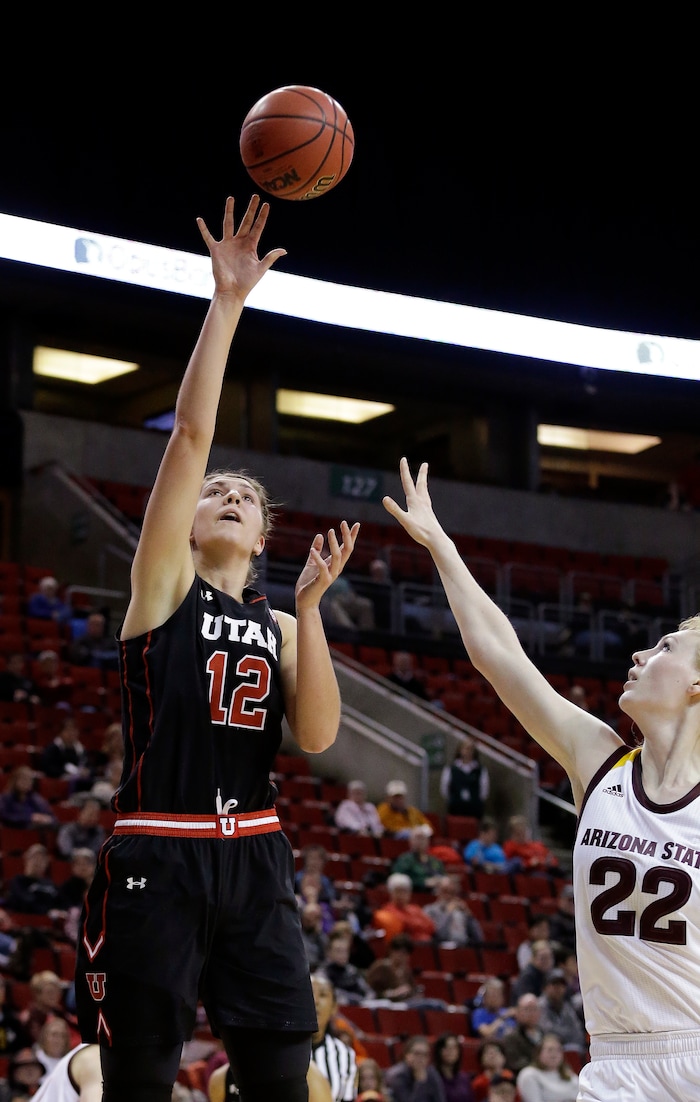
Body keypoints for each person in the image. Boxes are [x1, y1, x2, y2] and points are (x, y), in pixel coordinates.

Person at [73, 195, 360, 1102]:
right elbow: (193, 440)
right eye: (216, 493)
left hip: (258, 856)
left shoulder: (280, 625)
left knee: (281, 1078)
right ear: (190, 524)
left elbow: (316, 738)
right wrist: (227, 302)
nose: (228, 495)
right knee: (143, 1083)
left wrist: (310, 613)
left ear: (267, 535)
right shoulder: (162, 588)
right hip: (160, 848)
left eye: (248, 495)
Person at [384, 457, 700, 1100]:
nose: (642, 654)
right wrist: (442, 547)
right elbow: (500, 657)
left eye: (666, 646)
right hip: (615, 1064)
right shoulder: (603, 763)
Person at [309, 974, 358, 1102]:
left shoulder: (345, 1055)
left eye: (323, 995)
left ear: (334, 1008)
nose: (315, 1001)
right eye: (308, 993)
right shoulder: (280, 1049)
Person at [2, 843, 64, 917]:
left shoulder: (51, 884)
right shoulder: (18, 881)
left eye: (41, 859)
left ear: (46, 864)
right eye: (34, 858)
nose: (37, 862)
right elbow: (28, 902)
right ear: (26, 859)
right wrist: (48, 911)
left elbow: (61, 903)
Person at [370, 873, 436, 943]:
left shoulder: (415, 908)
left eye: (405, 891)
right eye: (398, 891)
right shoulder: (387, 910)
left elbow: (431, 926)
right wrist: (419, 925)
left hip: (426, 945)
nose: (401, 895)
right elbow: (403, 925)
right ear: (391, 892)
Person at [535, 970, 587, 1059]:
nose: (558, 988)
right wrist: (567, 1036)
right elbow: (547, 1031)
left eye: (561, 985)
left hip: (568, 1050)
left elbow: (577, 1032)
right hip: (546, 1052)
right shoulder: (539, 1006)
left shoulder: (566, 1006)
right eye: (554, 984)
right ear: (545, 987)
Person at [423, 874, 484, 948]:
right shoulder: (430, 910)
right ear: (438, 892)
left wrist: (470, 916)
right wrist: (448, 914)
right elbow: (439, 934)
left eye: (452, 892)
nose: (448, 896)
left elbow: (479, 938)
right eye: (445, 891)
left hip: (464, 947)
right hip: (442, 948)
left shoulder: (461, 911)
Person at [515, 1033, 579, 1101]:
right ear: (538, 1053)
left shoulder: (569, 1074)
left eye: (558, 1050)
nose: (554, 1054)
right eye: (550, 1050)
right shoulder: (529, 1074)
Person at [37, 714, 92, 793]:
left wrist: (87, 771)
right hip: (57, 785)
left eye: (74, 730)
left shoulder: (81, 749)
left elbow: (90, 766)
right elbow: (47, 768)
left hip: (79, 784)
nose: (71, 733)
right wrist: (65, 773)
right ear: (61, 732)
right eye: (68, 730)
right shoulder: (53, 749)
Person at [439, 737, 489, 819]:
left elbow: (484, 792)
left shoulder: (481, 770)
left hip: (474, 810)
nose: (468, 751)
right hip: (455, 809)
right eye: (466, 748)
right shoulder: (450, 769)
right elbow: (444, 790)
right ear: (460, 750)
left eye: (471, 749)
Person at [384, 1035, 446, 1102]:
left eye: (425, 1054)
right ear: (407, 1055)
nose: (421, 1058)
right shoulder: (396, 1076)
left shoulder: (431, 1073)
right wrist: (420, 1082)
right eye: (417, 1053)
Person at [495, 994, 544, 1077]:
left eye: (534, 1009)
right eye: (527, 1009)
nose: (531, 1013)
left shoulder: (546, 1036)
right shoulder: (510, 1038)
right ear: (517, 1012)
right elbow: (516, 1064)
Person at [0, 765, 58, 829]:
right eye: (23, 779)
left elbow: (53, 819)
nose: (26, 782)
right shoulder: (6, 799)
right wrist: (30, 818)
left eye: (29, 779)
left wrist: (46, 819)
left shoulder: (37, 799)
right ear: (15, 780)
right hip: (15, 832)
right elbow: (5, 817)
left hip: (36, 831)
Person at [390, 825, 445, 893]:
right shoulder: (404, 859)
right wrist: (423, 882)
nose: (420, 841)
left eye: (423, 838)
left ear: (428, 841)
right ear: (410, 841)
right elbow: (397, 880)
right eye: (417, 838)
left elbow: (443, 875)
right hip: (416, 893)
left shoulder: (435, 860)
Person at [432, 1032, 475, 1102]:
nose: (451, 1051)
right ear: (439, 1051)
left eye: (454, 1047)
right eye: (446, 1047)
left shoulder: (464, 1078)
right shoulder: (431, 1077)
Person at [469, 978, 516, 1043]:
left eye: (496, 995)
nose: (493, 999)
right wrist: (502, 1018)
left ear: (502, 997)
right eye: (491, 995)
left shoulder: (510, 1013)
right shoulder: (479, 1014)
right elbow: (487, 1033)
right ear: (484, 998)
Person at [33, 1016, 73, 1081]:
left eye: (63, 1036)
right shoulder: (34, 1059)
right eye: (54, 1035)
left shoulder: (71, 1063)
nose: (58, 1040)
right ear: (45, 1036)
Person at [545, 885, 576, 957]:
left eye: (574, 900)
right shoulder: (555, 920)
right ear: (561, 901)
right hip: (566, 958)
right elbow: (556, 943)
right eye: (569, 900)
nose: (572, 904)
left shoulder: (577, 920)